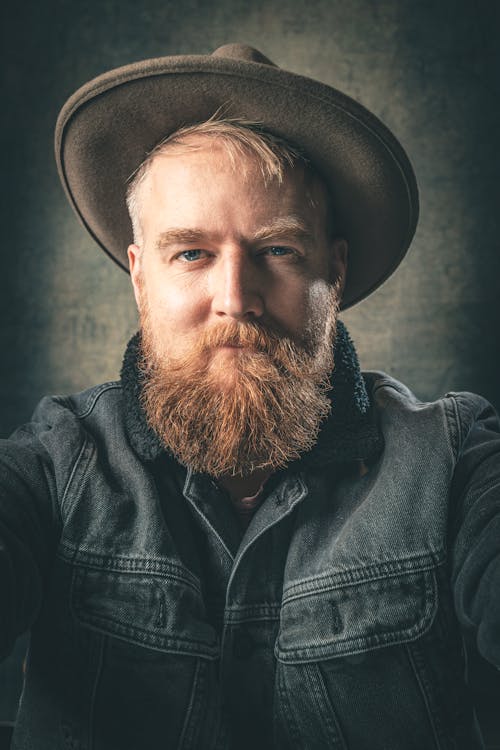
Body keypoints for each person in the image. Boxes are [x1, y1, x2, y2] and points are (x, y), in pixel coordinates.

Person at [1, 43, 498, 750]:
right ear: (140, 278)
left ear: (336, 272)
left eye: (278, 251)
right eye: (192, 254)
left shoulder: (455, 465)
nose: (236, 301)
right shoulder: (54, 466)